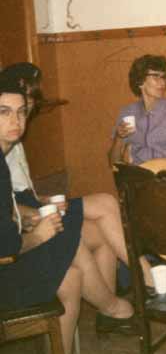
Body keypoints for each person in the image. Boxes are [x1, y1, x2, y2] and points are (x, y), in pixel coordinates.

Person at [0, 62, 154, 310]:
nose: (24, 106)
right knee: (100, 210)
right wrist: (32, 214)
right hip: (22, 217)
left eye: (28, 99)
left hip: (29, 205)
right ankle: (137, 287)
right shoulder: (7, 136)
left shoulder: (15, 134)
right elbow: (8, 207)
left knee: (103, 225)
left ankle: (127, 294)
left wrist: (44, 200)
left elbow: (16, 191)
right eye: (8, 108)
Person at [109, 54, 166, 166]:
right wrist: (118, 138)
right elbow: (113, 163)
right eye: (156, 77)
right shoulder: (128, 113)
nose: (163, 83)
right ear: (140, 81)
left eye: (164, 77)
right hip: (139, 175)